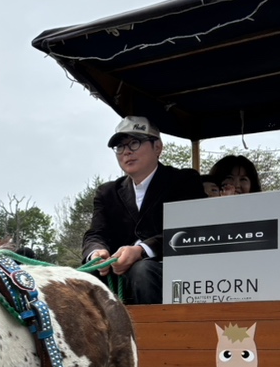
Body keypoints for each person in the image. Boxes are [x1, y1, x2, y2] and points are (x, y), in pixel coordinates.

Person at [83, 116, 206, 304]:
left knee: (142, 271)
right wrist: (97, 253)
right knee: (83, 278)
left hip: (169, 271)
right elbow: (95, 234)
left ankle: (158, 333)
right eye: (120, 147)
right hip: (117, 275)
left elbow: (191, 230)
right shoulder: (107, 192)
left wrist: (142, 250)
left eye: (134, 143)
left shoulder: (184, 181)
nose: (127, 152)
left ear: (157, 147)